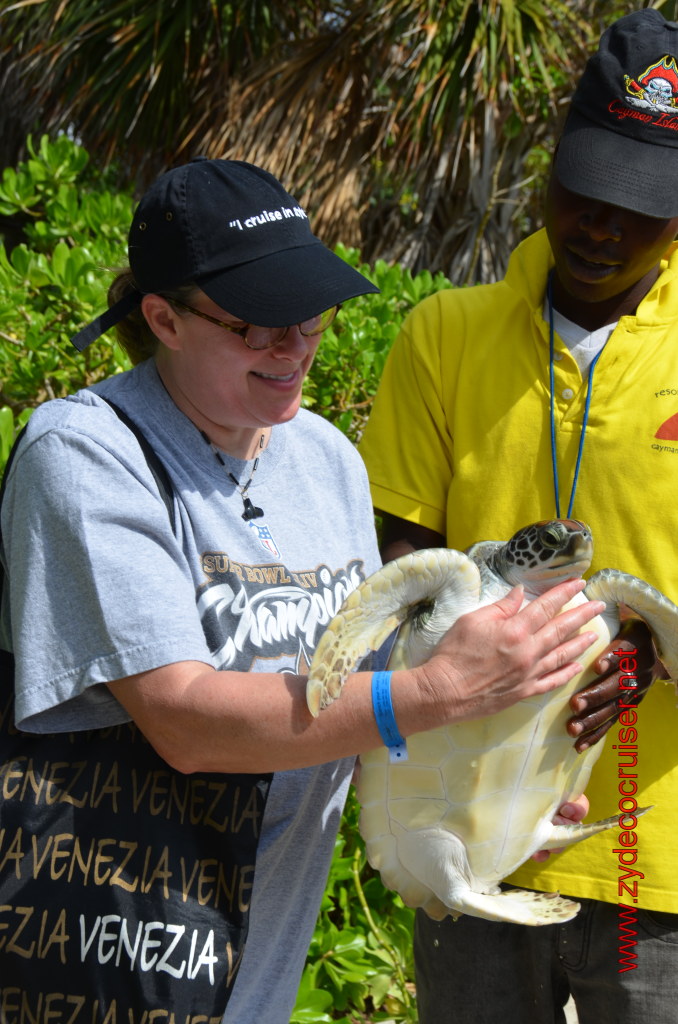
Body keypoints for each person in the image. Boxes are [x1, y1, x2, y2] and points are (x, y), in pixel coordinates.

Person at [0, 157, 602, 1022]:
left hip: (259, 972)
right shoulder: (88, 454)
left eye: (311, 313)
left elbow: (364, 698)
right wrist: (438, 690)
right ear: (163, 318)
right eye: (256, 325)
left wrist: (497, 788)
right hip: (104, 956)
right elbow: (182, 717)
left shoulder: (326, 461)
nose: (296, 345)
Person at [359, 8, 678, 1023]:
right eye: (582, 191)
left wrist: (648, 648)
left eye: (636, 206)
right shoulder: (444, 336)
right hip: (470, 838)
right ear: (546, 171)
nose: (599, 225)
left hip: (651, 854)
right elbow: (395, 555)